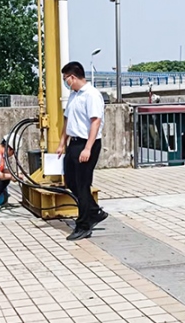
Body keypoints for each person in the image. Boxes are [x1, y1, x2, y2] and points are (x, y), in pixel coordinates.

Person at [57, 61, 109, 241]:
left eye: (66, 79)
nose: (65, 82)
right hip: (74, 143)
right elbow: (67, 120)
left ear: (72, 77)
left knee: (82, 184)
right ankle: (94, 211)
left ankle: (84, 225)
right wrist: (62, 142)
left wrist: (87, 148)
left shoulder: (92, 95)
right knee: (71, 181)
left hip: (88, 144)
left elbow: (95, 122)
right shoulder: (74, 95)